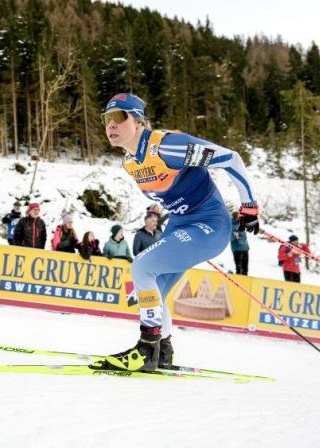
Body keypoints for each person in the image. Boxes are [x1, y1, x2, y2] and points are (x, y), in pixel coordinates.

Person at [98, 93, 259, 372]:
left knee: (142, 268)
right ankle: (163, 350)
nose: (110, 125)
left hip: (208, 225)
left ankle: (147, 348)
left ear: (137, 121)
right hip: (180, 224)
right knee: (155, 290)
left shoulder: (167, 147)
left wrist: (249, 205)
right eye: (106, 119)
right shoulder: (129, 161)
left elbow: (231, 159)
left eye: (118, 117)